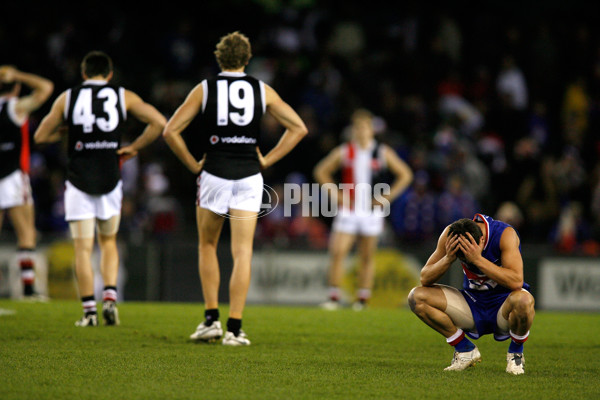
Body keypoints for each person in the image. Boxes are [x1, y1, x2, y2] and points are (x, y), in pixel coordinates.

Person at [163, 31, 307, 346]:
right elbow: (298, 127)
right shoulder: (262, 89)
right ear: (247, 59)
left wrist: (190, 163)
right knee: (243, 251)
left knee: (207, 246)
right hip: (248, 175)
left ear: (219, 58)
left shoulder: (205, 88)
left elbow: (170, 129)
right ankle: (235, 328)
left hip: (214, 172)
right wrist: (267, 160)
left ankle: (211, 320)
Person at [34, 51, 166, 326]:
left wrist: (65, 130)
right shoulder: (122, 96)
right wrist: (134, 148)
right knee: (108, 243)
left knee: (82, 248)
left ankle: (89, 312)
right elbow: (159, 123)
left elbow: (40, 136)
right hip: (110, 178)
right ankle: (109, 298)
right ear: (108, 74)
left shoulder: (68, 97)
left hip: (78, 179)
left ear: (83, 74)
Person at [407, 214, 535, 375]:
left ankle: (516, 353)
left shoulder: (504, 234)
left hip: (504, 305)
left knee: (524, 299)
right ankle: (465, 349)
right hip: (472, 303)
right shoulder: (450, 234)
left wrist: (477, 259)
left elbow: (516, 281)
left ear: (481, 241)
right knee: (416, 297)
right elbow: (424, 277)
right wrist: (448, 258)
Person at [314, 109, 413, 310]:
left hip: (370, 210)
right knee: (338, 251)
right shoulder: (345, 151)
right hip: (349, 209)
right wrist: (336, 194)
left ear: (371, 130)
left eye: (364, 127)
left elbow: (405, 175)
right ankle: (334, 296)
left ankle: (362, 299)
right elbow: (321, 171)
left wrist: (386, 197)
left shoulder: (382, 152)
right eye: (357, 127)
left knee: (366, 255)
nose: (360, 131)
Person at [0, 65, 53, 300]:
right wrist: (18, 74)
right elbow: (46, 88)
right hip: (12, 176)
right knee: (26, 233)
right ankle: (29, 289)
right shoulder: (15, 107)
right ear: (17, 87)